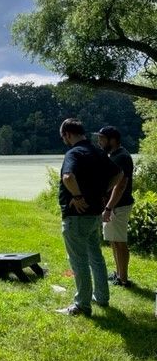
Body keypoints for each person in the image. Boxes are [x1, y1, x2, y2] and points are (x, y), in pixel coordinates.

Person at [56, 118, 122, 316]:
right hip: (94, 214)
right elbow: (118, 174)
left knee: (79, 261)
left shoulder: (74, 153)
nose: (64, 141)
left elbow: (68, 177)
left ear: (68, 134)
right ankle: (101, 297)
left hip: (77, 216)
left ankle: (82, 305)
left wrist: (77, 196)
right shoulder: (97, 152)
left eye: (63, 137)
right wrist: (103, 191)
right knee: (96, 257)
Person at [96, 126, 134, 287]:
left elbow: (121, 185)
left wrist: (109, 207)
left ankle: (123, 279)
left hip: (119, 205)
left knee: (120, 242)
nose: (99, 141)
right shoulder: (114, 155)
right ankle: (118, 274)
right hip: (112, 206)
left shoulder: (122, 157)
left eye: (102, 138)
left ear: (112, 140)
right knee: (113, 240)